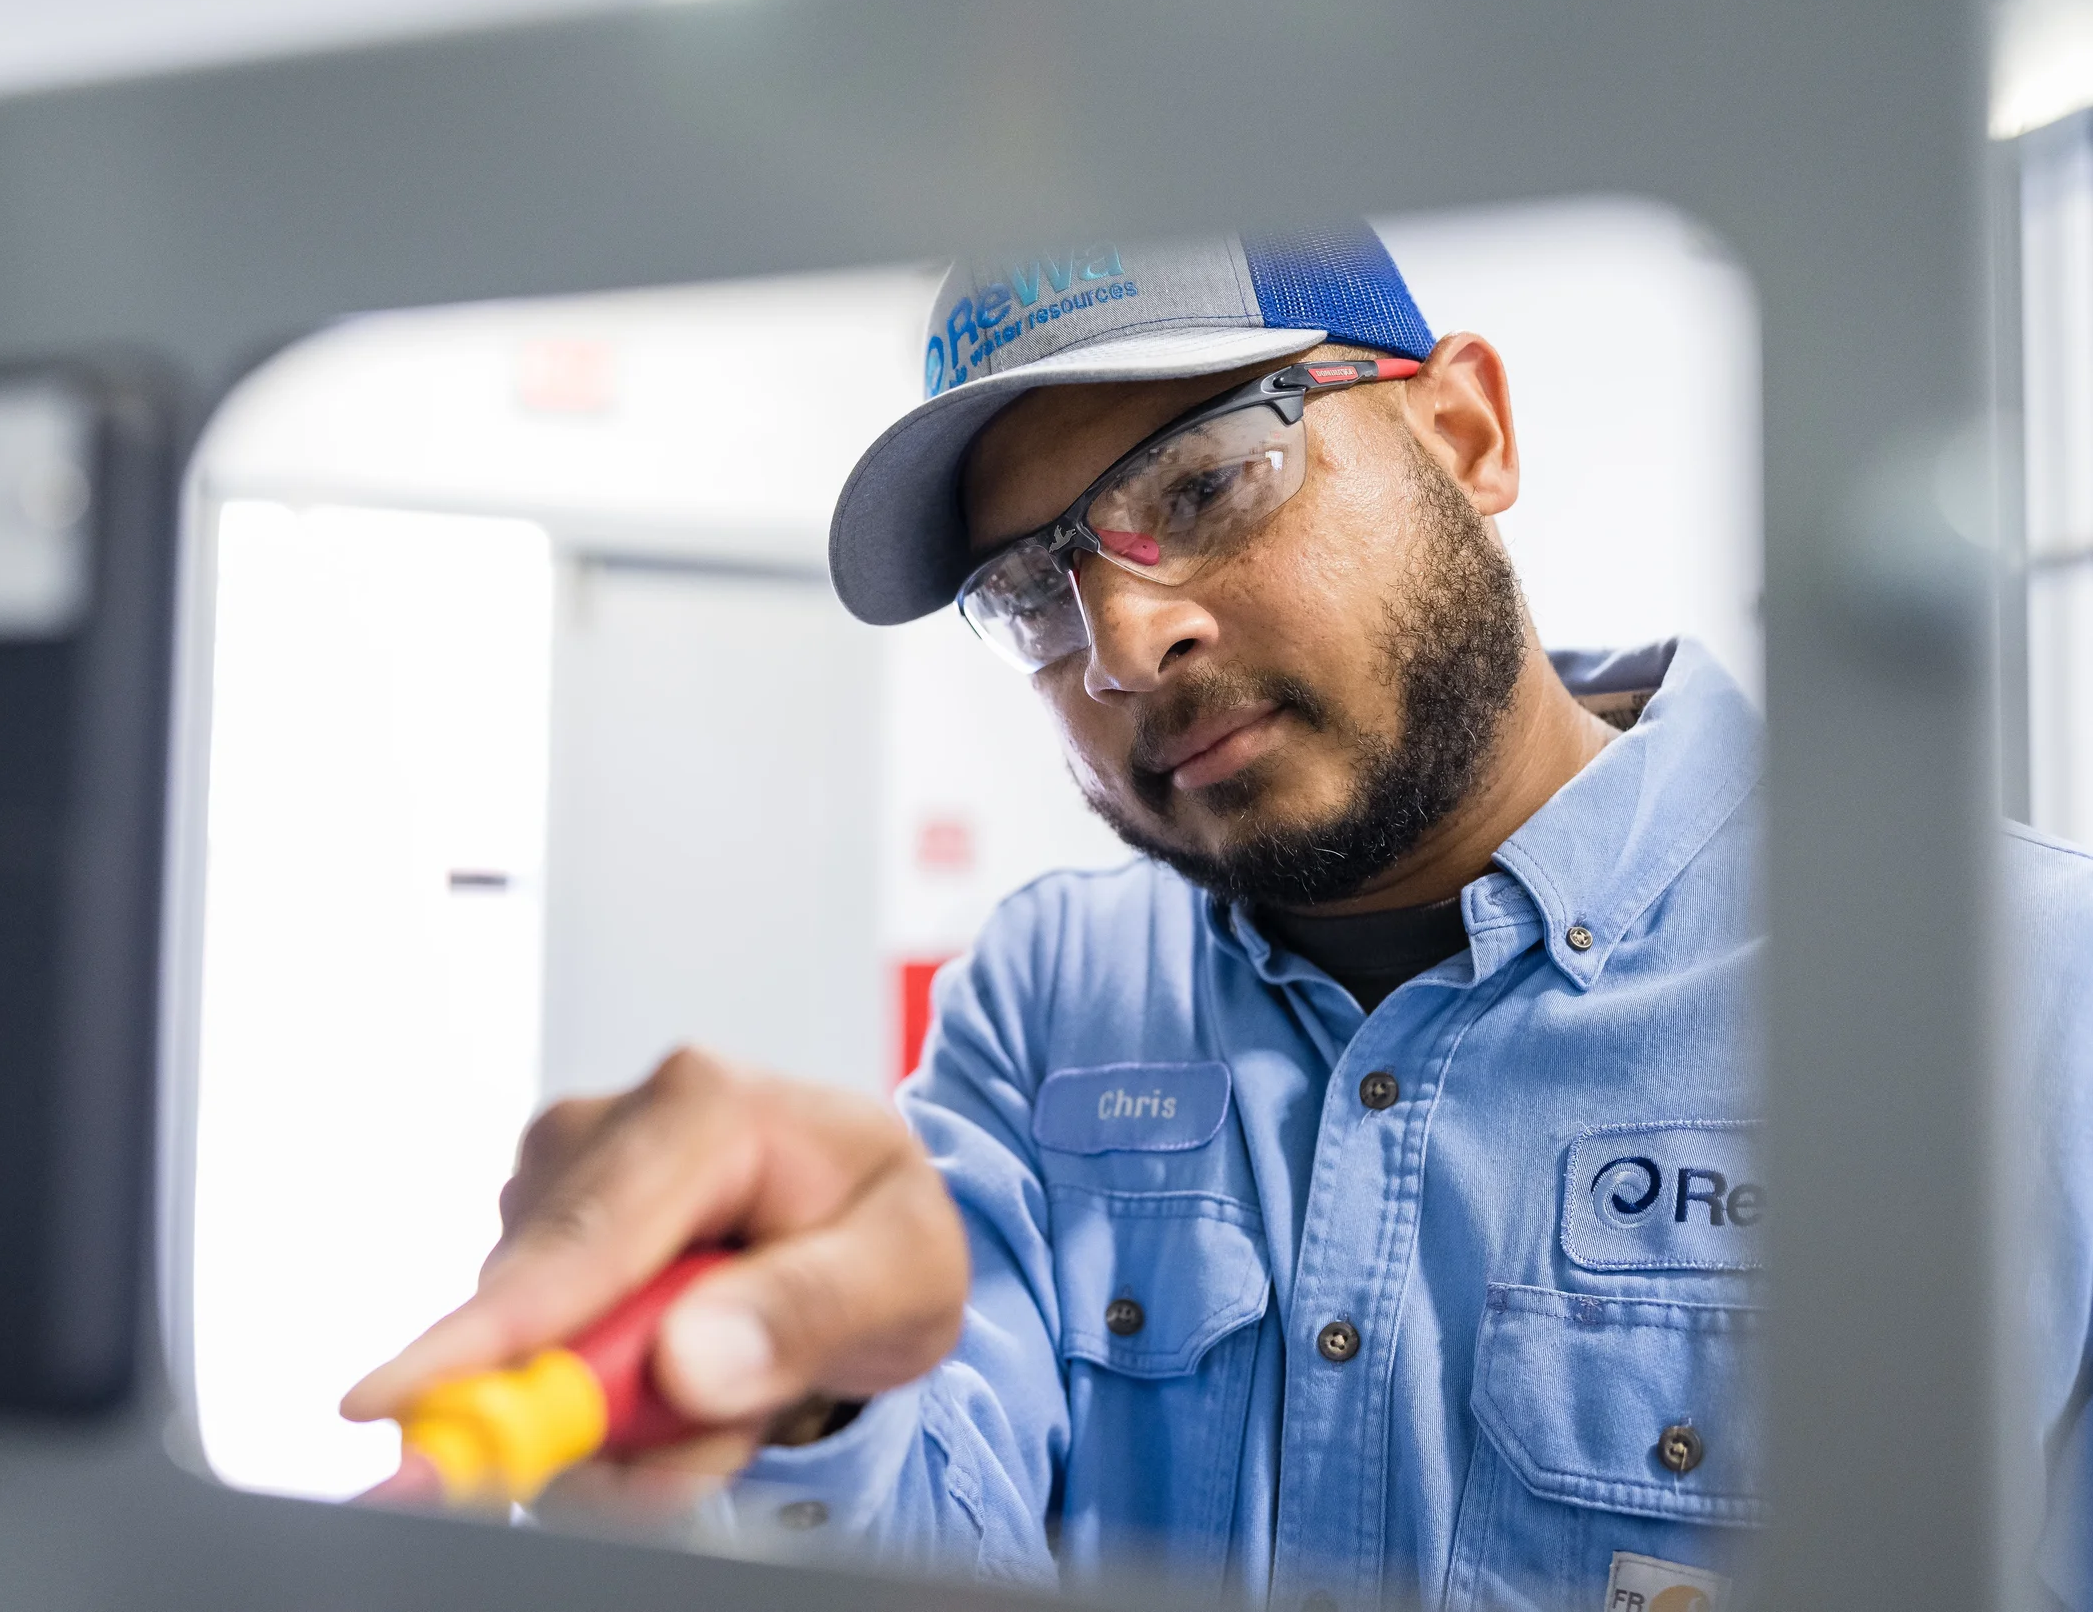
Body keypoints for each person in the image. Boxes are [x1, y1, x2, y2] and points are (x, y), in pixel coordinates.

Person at [343, 227, 2093, 1609]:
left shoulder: (2020, 997)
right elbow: (944, 1534)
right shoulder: (1051, 994)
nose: (1120, 645)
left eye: (1199, 485)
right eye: (1031, 588)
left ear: (1465, 434)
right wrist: (809, 1387)